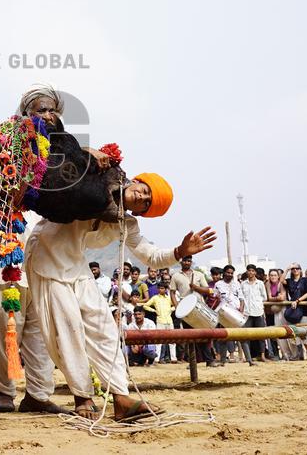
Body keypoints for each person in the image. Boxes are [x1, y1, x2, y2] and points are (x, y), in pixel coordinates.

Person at [24, 167, 216, 421]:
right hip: (45, 257)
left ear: (140, 213)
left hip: (75, 265)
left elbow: (151, 255)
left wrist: (180, 252)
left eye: (147, 203)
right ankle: (82, 396)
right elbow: (70, 165)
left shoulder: (127, 223)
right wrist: (93, 156)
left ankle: (121, 397)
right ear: (135, 181)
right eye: (144, 190)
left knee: (105, 327)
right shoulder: (97, 180)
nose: (141, 196)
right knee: (66, 329)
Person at [170, 254, 220, 367]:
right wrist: (177, 306)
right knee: (190, 336)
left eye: (189, 261)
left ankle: (209, 360)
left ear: (191, 262)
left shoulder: (199, 274)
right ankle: (193, 362)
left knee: (204, 335)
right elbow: (172, 292)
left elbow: (208, 290)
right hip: (185, 310)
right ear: (181, 262)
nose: (187, 263)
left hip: (200, 307)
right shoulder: (175, 276)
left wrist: (196, 288)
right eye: (185, 261)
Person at [145, 281, 176, 363]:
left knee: (172, 341)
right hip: (160, 320)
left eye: (162, 288)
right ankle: (157, 358)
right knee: (158, 341)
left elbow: (176, 305)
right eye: (159, 288)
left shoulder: (169, 298)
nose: (160, 290)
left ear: (165, 289)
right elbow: (145, 305)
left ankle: (173, 358)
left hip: (169, 321)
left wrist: (171, 310)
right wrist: (154, 310)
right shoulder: (155, 298)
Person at [264, 268, 287, 361]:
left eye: (275, 275)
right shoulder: (267, 284)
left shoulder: (281, 284)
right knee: (272, 334)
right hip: (270, 312)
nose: (273, 277)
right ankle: (275, 354)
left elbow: (283, 297)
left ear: (278, 276)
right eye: (271, 275)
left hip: (281, 311)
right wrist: (277, 298)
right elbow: (269, 297)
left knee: (283, 332)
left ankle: (286, 354)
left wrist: (274, 298)